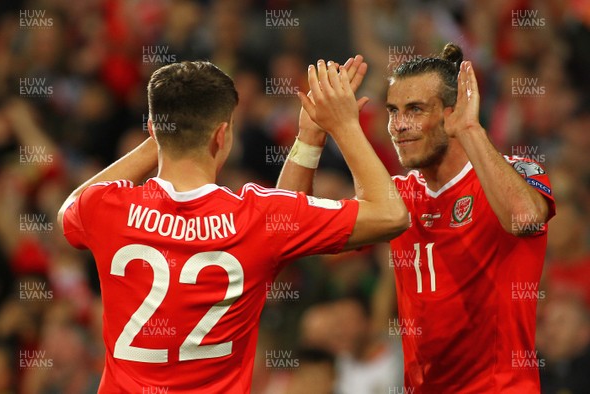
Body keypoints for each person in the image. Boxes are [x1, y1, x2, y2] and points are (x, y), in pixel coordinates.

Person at [57, 59, 408, 393]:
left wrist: (163, 136)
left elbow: (69, 210)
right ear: (222, 135)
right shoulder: (257, 217)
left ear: (151, 128)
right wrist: (342, 125)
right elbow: (390, 215)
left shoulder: (105, 207)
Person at [278, 44, 556, 393]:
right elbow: (287, 234)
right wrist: (310, 137)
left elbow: (525, 219)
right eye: (394, 111)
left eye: (415, 110)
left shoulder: (513, 173)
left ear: (452, 113)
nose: (399, 126)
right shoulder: (397, 198)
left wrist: (469, 130)